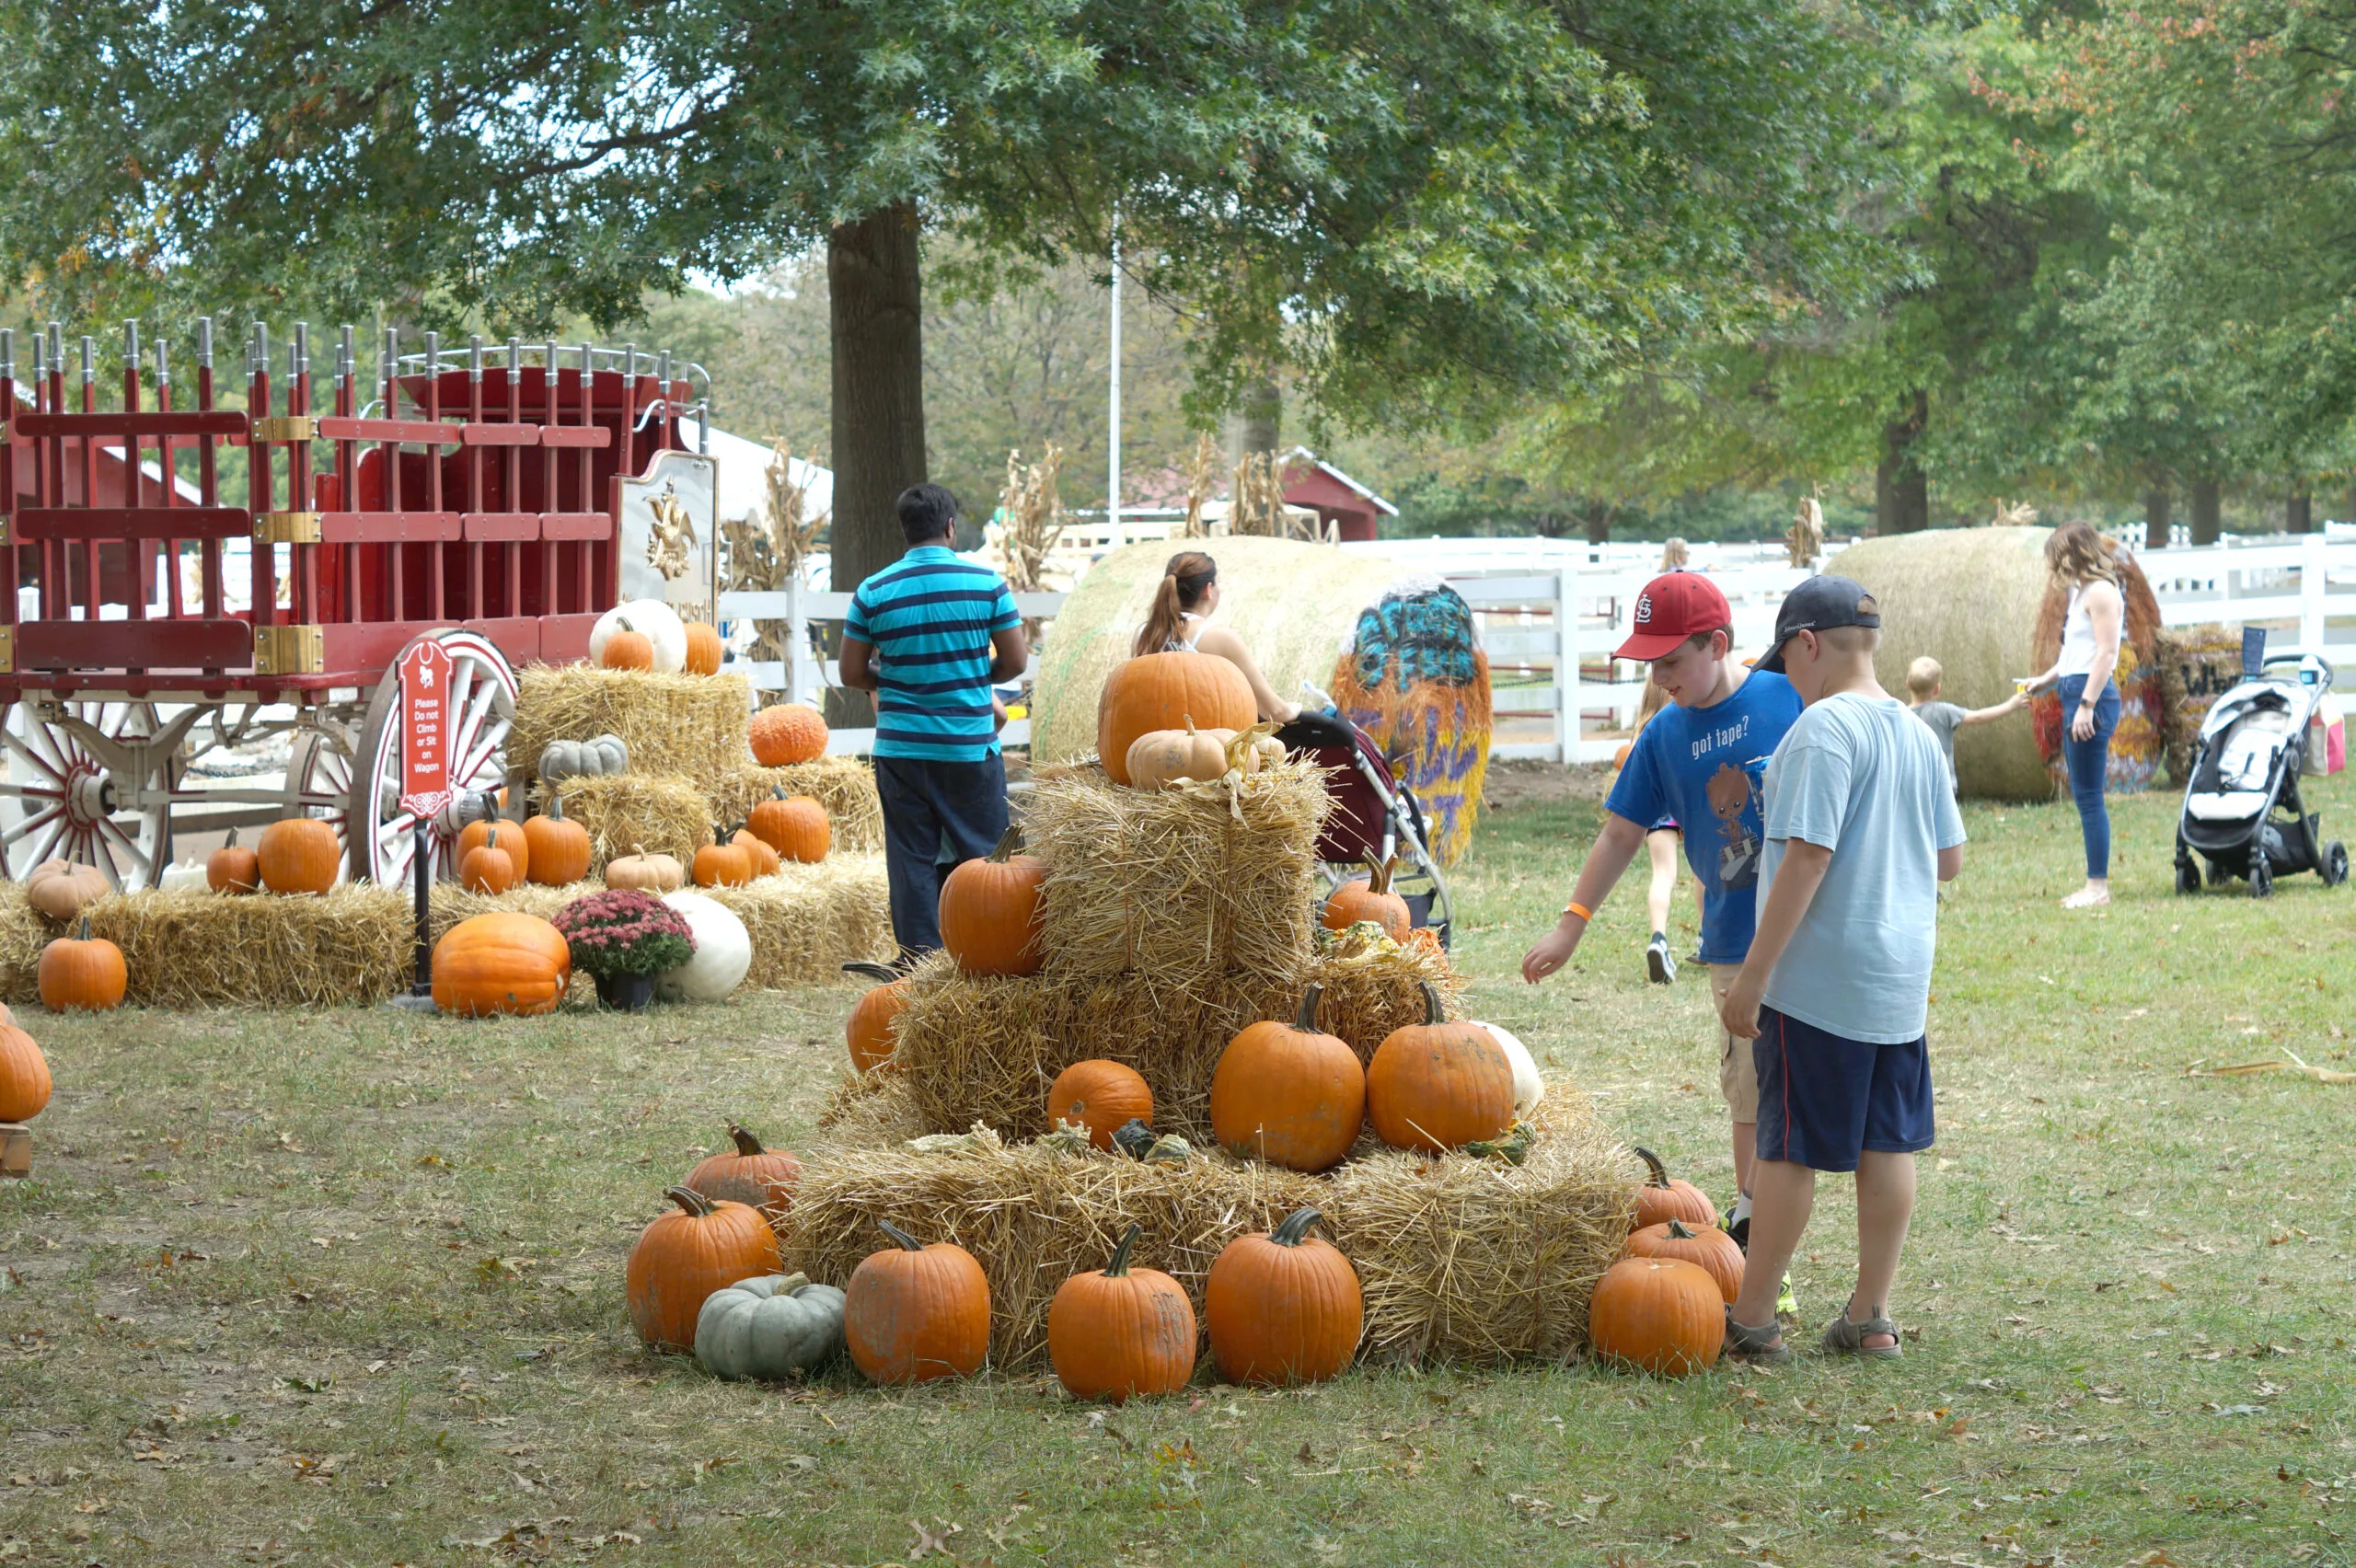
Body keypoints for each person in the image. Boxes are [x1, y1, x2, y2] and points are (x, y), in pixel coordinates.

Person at [1715, 576, 1964, 1364]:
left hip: (1818, 979)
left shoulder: (1823, 730)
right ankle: (1871, 1315)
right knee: (1885, 1144)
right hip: (1898, 975)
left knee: (1788, 1148)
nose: (1786, 676)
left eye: (1786, 659)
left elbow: (1808, 858)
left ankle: (1753, 1319)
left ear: (1809, 644)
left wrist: (1754, 975)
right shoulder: (1917, 733)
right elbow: (1948, 860)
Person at [1520, 571, 1803, 1264]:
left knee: (1810, 1098)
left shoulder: (1788, 695)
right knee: (1750, 1091)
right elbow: (1620, 834)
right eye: (1651, 664)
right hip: (1736, 942)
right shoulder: (1663, 736)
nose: (1661, 677)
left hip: (1814, 931)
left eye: (1672, 660)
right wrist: (1572, 922)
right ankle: (1751, 1233)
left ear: (1719, 643)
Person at [838, 483, 1028, 962]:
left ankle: (920, 966)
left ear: (904, 530)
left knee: (912, 863)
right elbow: (1016, 662)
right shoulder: (987, 585)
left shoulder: (873, 591)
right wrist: (967, 674)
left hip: (902, 753)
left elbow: (852, 672)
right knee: (987, 858)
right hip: (969, 749)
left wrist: (898, 679)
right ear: (950, 526)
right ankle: (990, 954)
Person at [2015, 523, 2124, 909]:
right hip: (2074, 691)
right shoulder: (2081, 593)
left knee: (2090, 797)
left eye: (2058, 555)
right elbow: (2073, 655)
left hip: (2089, 697)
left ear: (2075, 553)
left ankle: (2098, 887)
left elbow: (2106, 653)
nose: (2054, 565)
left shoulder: (2102, 593)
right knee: (2084, 795)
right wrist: (2043, 681)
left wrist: (2088, 706)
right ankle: (2095, 883)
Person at [1134, 550, 1300, 722]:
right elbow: (1275, 712)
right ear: (1208, 590)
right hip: (1203, 745)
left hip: (1147, 744)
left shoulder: (1143, 634)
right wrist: (1296, 708)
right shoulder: (1219, 638)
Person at [1624, 680, 1705, 984]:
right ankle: (1707, 937)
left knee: (1662, 873)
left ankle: (1659, 938)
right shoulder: (1685, 724)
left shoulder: (1642, 734)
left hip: (1657, 810)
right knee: (1704, 871)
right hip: (1687, 802)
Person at [1905, 655, 2027, 794]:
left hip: (1914, 788)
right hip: (1943, 787)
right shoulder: (1944, 711)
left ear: (1907, 684)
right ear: (1936, 689)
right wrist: (2011, 705)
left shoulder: (1901, 715)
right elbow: (1978, 717)